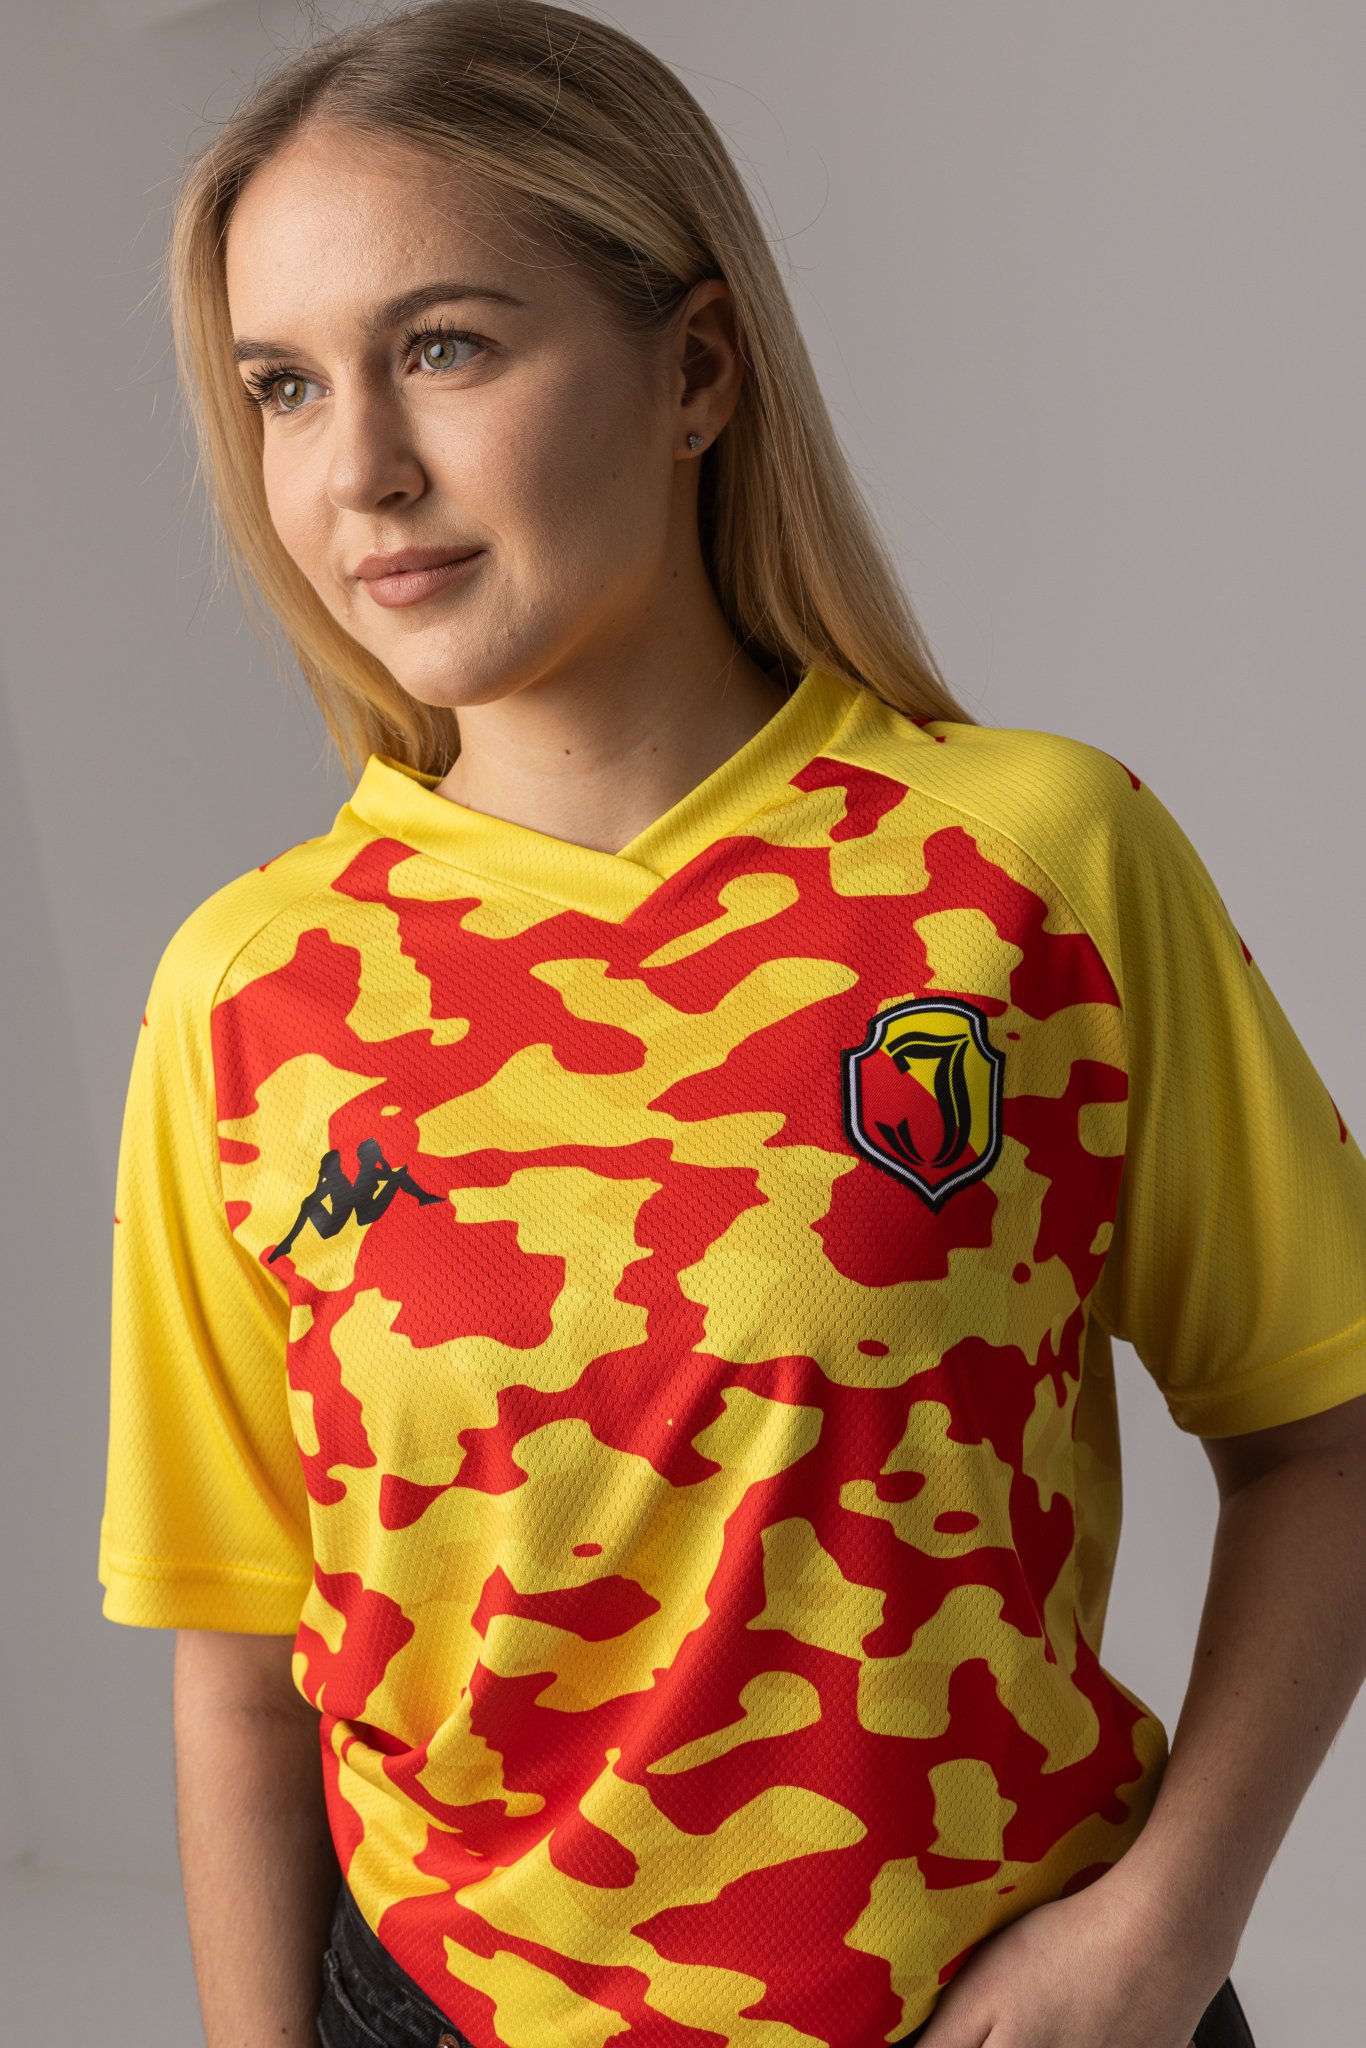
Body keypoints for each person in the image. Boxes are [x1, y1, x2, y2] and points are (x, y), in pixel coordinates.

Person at [95, 4, 1366, 2047]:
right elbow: (245, 1668)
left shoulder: (1029, 866)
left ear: (693, 368)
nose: (360, 471)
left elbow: (1326, 1435)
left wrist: (1164, 1931)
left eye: (445, 347)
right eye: (283, 385)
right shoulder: (246, 991)